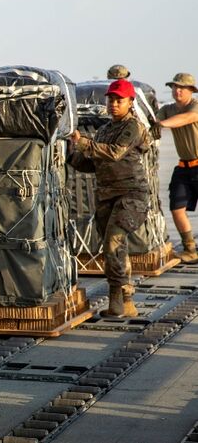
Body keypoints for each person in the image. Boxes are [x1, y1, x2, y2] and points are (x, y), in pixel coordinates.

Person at [69, 80, 151, 317]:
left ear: (130, 102)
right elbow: (93, 165)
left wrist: (83, 142)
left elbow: (115, 153)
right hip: (106, 196)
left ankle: (117, 298)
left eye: (119, 100)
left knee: (113, 242)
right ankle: (126, 299)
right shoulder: (105, 129)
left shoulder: (132, 127)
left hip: (131, 195)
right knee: (114, 248)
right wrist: (70, 155)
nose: (114, 104)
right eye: (111, 99)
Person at [150, 73, 198, 263]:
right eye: (174, 87)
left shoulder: (194, 106)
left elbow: (187, 118)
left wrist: (161, 124)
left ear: (191, 91)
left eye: (182, 88)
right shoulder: (167, 109)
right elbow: (152, 121)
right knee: (176, 207)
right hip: (183, 166)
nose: (177, 90)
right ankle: (190, 249)